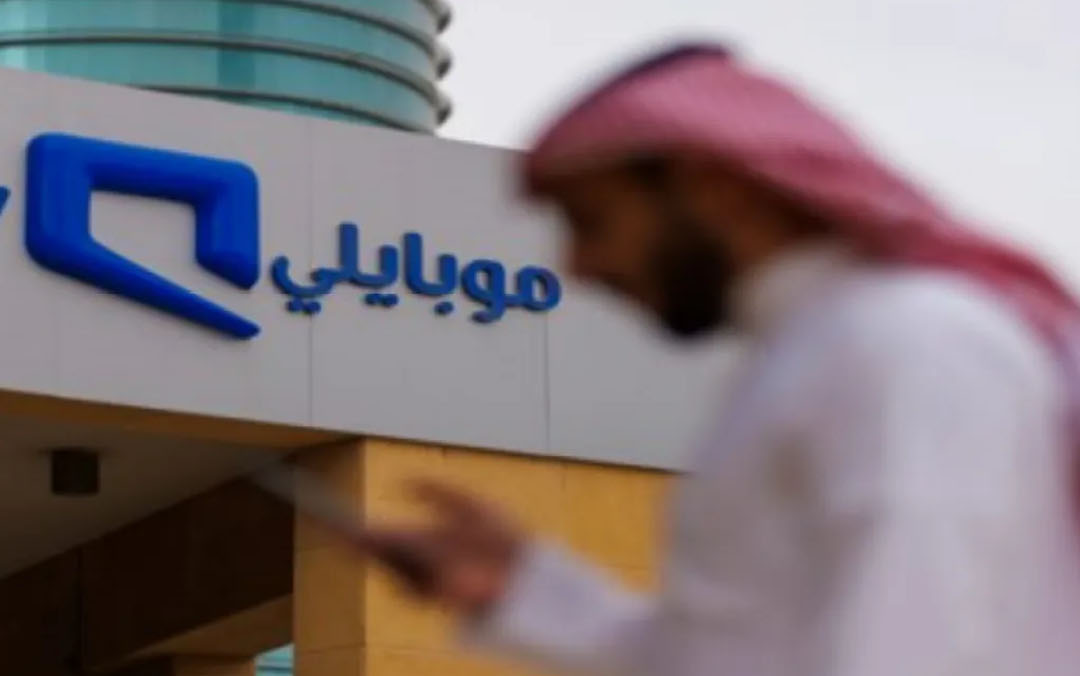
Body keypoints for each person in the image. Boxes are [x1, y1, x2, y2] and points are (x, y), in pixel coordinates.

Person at [359, 44, 1080, 675]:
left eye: (592, 222)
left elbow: (916, 645)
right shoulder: (810, 358)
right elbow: (732, 656)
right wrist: (524, 589)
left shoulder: (906, 342)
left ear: (717, 188)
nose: (578, 266)